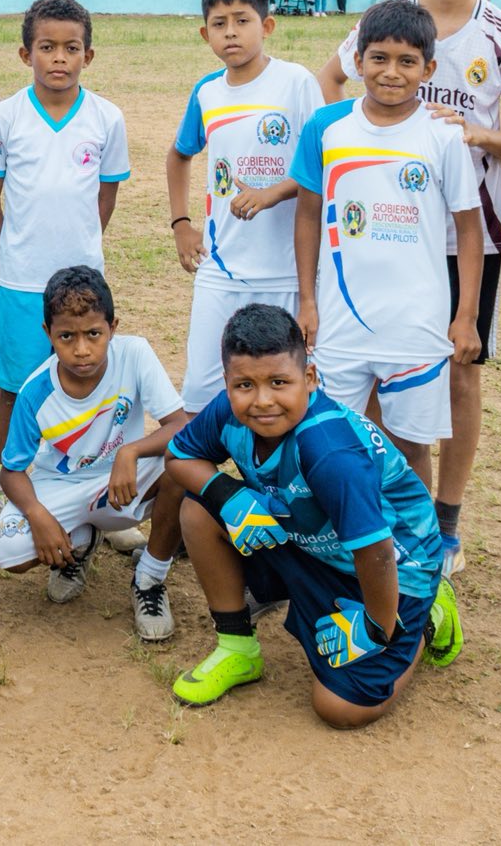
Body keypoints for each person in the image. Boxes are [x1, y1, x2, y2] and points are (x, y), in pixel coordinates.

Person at [316, 0, 501, 575]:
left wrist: (475, 133)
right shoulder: (386, 22)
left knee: (460, 373)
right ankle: (385, 506)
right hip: (383, 234)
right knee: (382, 376)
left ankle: (445, 520)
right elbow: (329, 83)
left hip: (465, 238)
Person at [164, 304, 462, 726]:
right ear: (227, 383)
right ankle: (237, 648)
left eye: (279, 382)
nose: (262, 400)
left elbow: (376, 551)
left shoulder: (329, 452)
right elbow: (178, 457)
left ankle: (427, 617)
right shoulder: (228, 411)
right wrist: (228, 495)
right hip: (313, 540)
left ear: (310, 377)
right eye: (245, 384)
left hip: (392, 568)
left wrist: (375, 627)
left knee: (340, 709)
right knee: (200, 509)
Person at [0, 0, 131, 551]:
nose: (59, 58)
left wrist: (82, 254)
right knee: (14, 390)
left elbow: (105, 198)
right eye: (47, 47)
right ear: (25, 53)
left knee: (90, 387)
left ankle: (98, 499)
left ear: (89, 55)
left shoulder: (106, 118)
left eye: (71, 48)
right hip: (22, 282)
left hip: (84, 285)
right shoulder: (4, 117)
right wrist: (9, 258)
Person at [291, 0, 482, 485]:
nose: (391, 72)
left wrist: (465, 317)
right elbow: (308, 214)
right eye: (378, 58)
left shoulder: (443, 134)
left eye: (407, 61)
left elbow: (468, 229)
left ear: (428, 69)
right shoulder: (326, 127)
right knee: (329, 440)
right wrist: (307, 301)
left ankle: (414, 532)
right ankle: (339, 530)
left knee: (411, 447)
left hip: (417, 325)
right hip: (339, 322)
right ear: (357, 61)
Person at [0, 266, 188, 639]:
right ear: (48, 333)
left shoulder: (134, 354)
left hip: (124, 479)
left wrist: (130, 452)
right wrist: (37, 515)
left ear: (113, 328)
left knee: (185, 463)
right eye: (66, 336)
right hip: (62, 485)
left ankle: (150, 577)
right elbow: (11, 471)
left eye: (93, 334)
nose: (81, 350)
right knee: (8, 552)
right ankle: (80, 541)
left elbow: (180, 426)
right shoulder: (36, 391)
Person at [167, 0, 323, 412]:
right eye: (219, 24)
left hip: (286, 272)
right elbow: (179, 155)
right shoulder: (207, 92)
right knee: (201, 394)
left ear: (267, 25)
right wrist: (181, 224)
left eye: (242, 20)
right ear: (205, 34)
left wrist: (273, 192)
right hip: (221, 268)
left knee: (287, 394)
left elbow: (322, 166)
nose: (230, 32)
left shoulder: (296, 82)